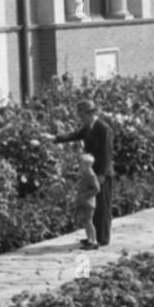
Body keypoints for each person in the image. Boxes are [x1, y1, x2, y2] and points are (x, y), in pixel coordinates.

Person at [48, 99, 114, 247]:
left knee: (102, 208)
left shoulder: (104, 129)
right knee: (92, 208)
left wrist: (102, 175)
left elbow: (107, 153)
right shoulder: (88, 127)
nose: (80, 118)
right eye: (80, 115)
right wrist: (54, 138)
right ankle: (93, 237)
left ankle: (103, 238)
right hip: (92, 172)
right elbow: (74, 135)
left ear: (91, 113)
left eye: (82, 115)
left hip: (102, 174)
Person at [73, 153, 100, 250]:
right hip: (84, 202)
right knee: (85, 221)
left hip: (88, 203)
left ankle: (93, 241)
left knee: (88, 222)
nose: (80, 166)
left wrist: (85, 195)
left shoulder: (91, 175)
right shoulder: (86, 174)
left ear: (87, 165)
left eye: (81, 164)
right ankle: (89, 239)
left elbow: (97, 188)